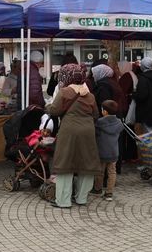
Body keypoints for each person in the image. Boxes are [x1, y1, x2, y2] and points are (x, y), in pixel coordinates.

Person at [47, 63, 100, 208]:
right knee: (86, 163)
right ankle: (82, 198)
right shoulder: (90, 95)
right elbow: (96, 114)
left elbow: (55, 111)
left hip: (69, 130)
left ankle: (63, 201)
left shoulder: (64, 92)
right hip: (88, 131)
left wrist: (48, 106)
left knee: (65, 164)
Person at [96, 100, 123, 201]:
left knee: (100, 172)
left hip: (102, 152)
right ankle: (109, 193)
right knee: (112, 172)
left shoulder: (99, 123)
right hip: (113, 152)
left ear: (105, 112)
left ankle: (97, 188)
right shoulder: (119, 123)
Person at [133, 57, 152, 133]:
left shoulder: (143, 78)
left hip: (146, 114)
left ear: (142, 66)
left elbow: (142, 96)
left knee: (148, 139)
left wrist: (134, 94)